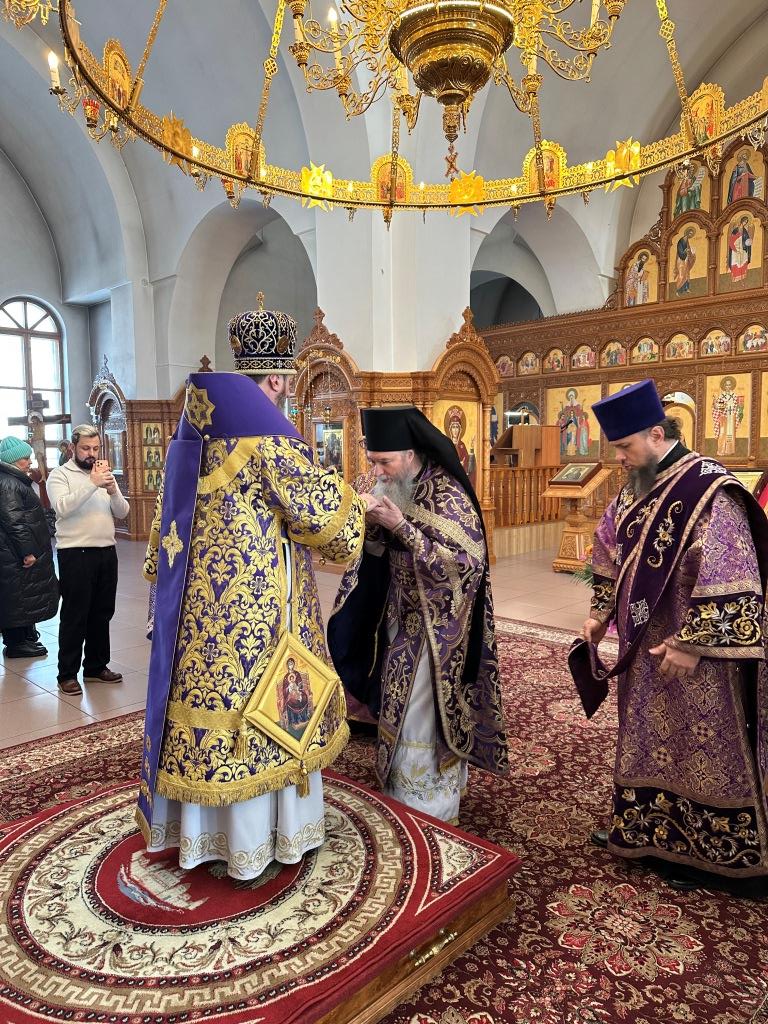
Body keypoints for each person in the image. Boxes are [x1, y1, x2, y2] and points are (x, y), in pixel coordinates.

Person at [137, 298, 370, 881]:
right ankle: (262, 840)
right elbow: (328, 523)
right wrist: (356, 501)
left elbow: (163, 530)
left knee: (209, 706)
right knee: (259, 710)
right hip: (258, 612)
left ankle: (202, 837)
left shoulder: (192, 431)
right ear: (277, 380)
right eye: (286, 383)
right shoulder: (268, 438)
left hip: (197, 611)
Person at [582, 379, 768, 891]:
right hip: (644, 645)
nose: (619, 458)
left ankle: (709, 853)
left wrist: (692, 642)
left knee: (702, 743)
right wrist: (600, 613)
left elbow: (734, 570)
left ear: (657, 434)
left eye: (625, 446)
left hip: (697, 658)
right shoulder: (636, 486)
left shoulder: (708, 489)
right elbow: (608, 548)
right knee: (647, 736)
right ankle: (647, 831)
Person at [328, 405, 508, 823]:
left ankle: (430, 806)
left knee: (421, 716)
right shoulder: (390, 484)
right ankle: (399, 790)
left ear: (410, 454)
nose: (378, 471)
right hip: (398, 619)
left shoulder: (448, 495)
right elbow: (373, 556)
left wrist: (402, 528)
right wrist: (373, 529)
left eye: (385, 462)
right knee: (397, 706)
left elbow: (466, 566)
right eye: (372, 461)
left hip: (438, 631)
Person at [46, 425, 129, 695]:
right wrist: (92, 484)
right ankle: (67, 674)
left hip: (107, 551)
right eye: (85, 448)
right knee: (75, 615)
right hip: (75, 552)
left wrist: (113, 489)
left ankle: (95, 666)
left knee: (102, 613)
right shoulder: (60, 475)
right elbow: (62, 508)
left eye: (95, 448)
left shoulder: (103, 475)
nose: (91, 454)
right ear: (73, 448)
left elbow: (123, 512)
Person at [0, 437, 59, 659]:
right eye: (25, 458)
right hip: (13, 553)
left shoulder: (12, 480)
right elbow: (14, 521)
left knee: (22, 595)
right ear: (13, 461)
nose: (30, 462)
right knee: (15, 597)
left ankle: (24, 638)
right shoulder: (8, 483)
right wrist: (27, 551)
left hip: (11, 552)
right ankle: (16, 643)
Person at [674, 227, 696, 295]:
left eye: (691, 234)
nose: (690, 235)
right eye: (690, 233)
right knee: (681, 274)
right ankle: (678, 290)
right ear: (687, 233)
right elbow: (680, 251)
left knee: (687, 274)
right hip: (681, 260)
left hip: (686, 260)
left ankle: (686, 288)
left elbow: (688, 251)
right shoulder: (681, 241)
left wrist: (692, 254)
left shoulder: (687, 241)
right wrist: (685, 251)